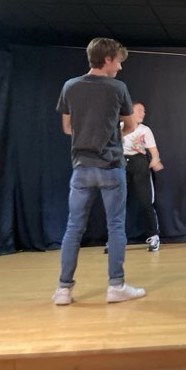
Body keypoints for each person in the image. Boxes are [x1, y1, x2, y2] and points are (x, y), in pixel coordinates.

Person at [52, 37, 146, 305]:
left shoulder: (70, 86)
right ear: (107, 59)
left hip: (81, 167)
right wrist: (111, 131)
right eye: (118, 61)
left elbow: (67, 127)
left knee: (74, 228)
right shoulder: (118, 88)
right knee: (116, 226)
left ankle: (63, 290)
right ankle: (116, 286)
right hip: (111, 166)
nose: (120, 67)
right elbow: (130, 126)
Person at [122, 102, 163, 252]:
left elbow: (154, 151)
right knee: (118, 203)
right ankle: (116, 239)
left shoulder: (145, 130)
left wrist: (155, 159)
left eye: (144, 111)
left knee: (146, 202)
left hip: (139, 163)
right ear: (130, 112)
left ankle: (154, 236)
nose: (143, 113)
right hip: (122, 163)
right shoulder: (120, 127)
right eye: (139, 110)